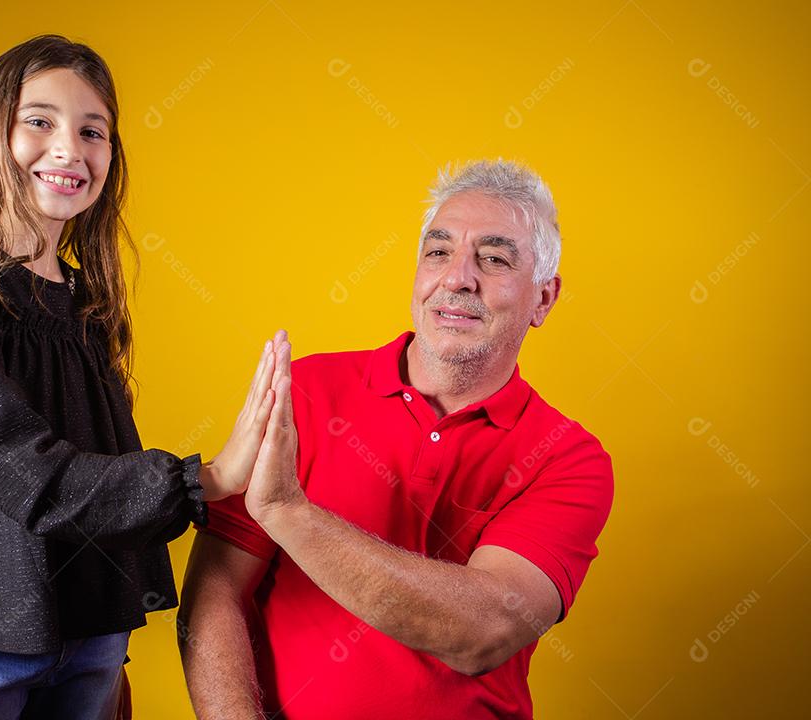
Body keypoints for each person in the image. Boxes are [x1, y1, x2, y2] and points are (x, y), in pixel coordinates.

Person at [0, 34, 278, 720]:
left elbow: (96, 464)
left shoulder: (87, 300)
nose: (69, 148)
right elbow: (23, 472)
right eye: (40, 121)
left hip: (91, 629)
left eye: (93, 131)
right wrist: (203, 478)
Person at [179, 160, 615, 719]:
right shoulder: (307, 392)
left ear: (544, 300)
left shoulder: (567, 458)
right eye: (438, 252)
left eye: (495, 258)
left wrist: (289, 513)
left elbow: (483, 632)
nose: (456, 278)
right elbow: (214, 596)